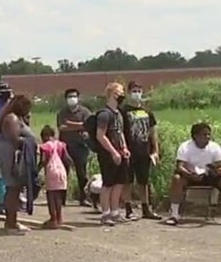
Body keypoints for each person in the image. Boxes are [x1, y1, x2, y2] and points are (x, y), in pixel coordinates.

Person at [163, 122, 221, 226]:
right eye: (204, 134)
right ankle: (174, 215)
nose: (207, 137)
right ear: (195, 136)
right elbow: (180, 166)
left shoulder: (215, 147)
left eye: (209, 134)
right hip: (189, 175)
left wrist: (212, 170)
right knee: (177, 179)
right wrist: (191, 175)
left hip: (208, 175)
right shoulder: (185, 147)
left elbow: (219, 164)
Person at [119, 81, 160, 220]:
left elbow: (152, 132)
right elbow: (120, 132)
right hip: (129, 150)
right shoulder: (123, 111)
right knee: (128, 181)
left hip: (144, 150)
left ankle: (146, 208)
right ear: (129, 92)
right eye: (134, 91)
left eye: (139, 91)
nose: (137, 94)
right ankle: (128, 209)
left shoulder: (147, 112)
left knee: (144, 181)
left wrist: (155, 150)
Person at [0, 94, 36, 234]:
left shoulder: (19, 118)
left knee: (17, 188)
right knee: (12, 188)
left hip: (18, 156)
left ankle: (14, 220)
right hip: (12, 157)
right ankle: (10, 223)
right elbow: (15, 138)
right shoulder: (11, 118)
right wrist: (30, 142)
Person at [94, 82, 130, 225]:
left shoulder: (119, 113)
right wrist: (113, 152)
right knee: (108, 184)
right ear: (112, 94)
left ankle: (115, 212)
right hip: (108, 153)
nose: (122, 95)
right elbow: (100, 135)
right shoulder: (104, 114)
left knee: (119, 183)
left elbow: (120, 133)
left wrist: (125, 148)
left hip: (120, 152)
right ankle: (105, 213)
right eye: (120, 92)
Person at [56, 88, 92, 207]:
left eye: (74, 96)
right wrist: (80, 126)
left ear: (78, 98)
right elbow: (61, 128)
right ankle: (62, 198)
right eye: (70, 96)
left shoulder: (85, 112)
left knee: (82, 174)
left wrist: (70, 125)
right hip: (65, 147)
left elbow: (89, 126)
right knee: (63, 173)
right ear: (66, 99)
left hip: (81, 146)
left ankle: (84, 198)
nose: (72, 99)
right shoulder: (62, 113)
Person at [38, 125, 72, 229]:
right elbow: (67, 159)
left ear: (44, 136)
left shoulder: (45, 146)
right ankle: (59, 218)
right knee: (58, 195)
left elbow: (43, 161)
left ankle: (53, 219)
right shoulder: (61, 145)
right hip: (61, 171)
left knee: (51, 196)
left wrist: (37, 170)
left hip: (51, 172)